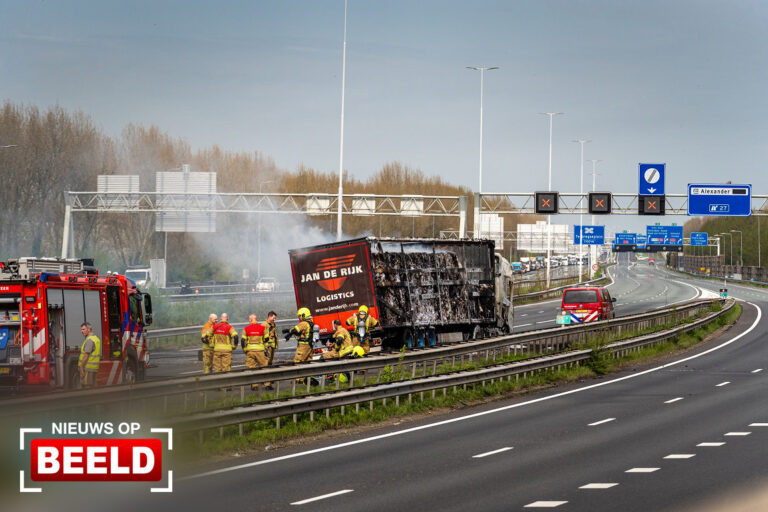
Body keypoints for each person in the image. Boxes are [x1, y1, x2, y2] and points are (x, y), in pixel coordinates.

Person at [241, 314, 267, 389]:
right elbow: (267, 338)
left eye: (249, 319)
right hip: (260, 351)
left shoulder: (246, 328)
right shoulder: (262, 328)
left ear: (251, 320)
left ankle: (254, 386)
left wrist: (244, 349)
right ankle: (267, 384)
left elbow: (243, 340)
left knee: (252, 368)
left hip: (250, 351)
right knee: (264, 367)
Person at [78, 322, 101, 388]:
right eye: (81, 329)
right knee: (93, 388)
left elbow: (86, 356)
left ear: (89, 329)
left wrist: (81, 368)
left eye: (83, 329)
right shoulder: (96, 338)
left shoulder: (89, 340)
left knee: (87, 387)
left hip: (87, 369)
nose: (81, 331)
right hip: (94, 368)